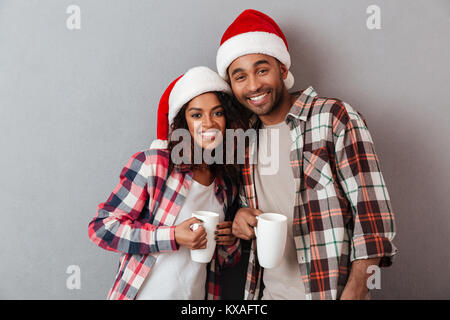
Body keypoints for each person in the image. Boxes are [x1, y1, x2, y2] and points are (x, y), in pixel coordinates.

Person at [215, 9, 398, 300]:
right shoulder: (245, 139)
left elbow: (373, 215)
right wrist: (240, 216)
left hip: (329, 293)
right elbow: (248, 210)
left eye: (262, 70)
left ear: (283, 71)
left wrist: (356, 290)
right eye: (240, 77)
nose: (253, 86)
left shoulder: (333, 117)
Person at [88, 66, 247, 300]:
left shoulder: (226, 183)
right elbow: (102, 229)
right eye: (196, 115)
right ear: (183, 123)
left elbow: (223, 262)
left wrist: (229, 242)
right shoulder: (154, 165)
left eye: (217, 113)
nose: (209, 123)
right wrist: (172, 236)